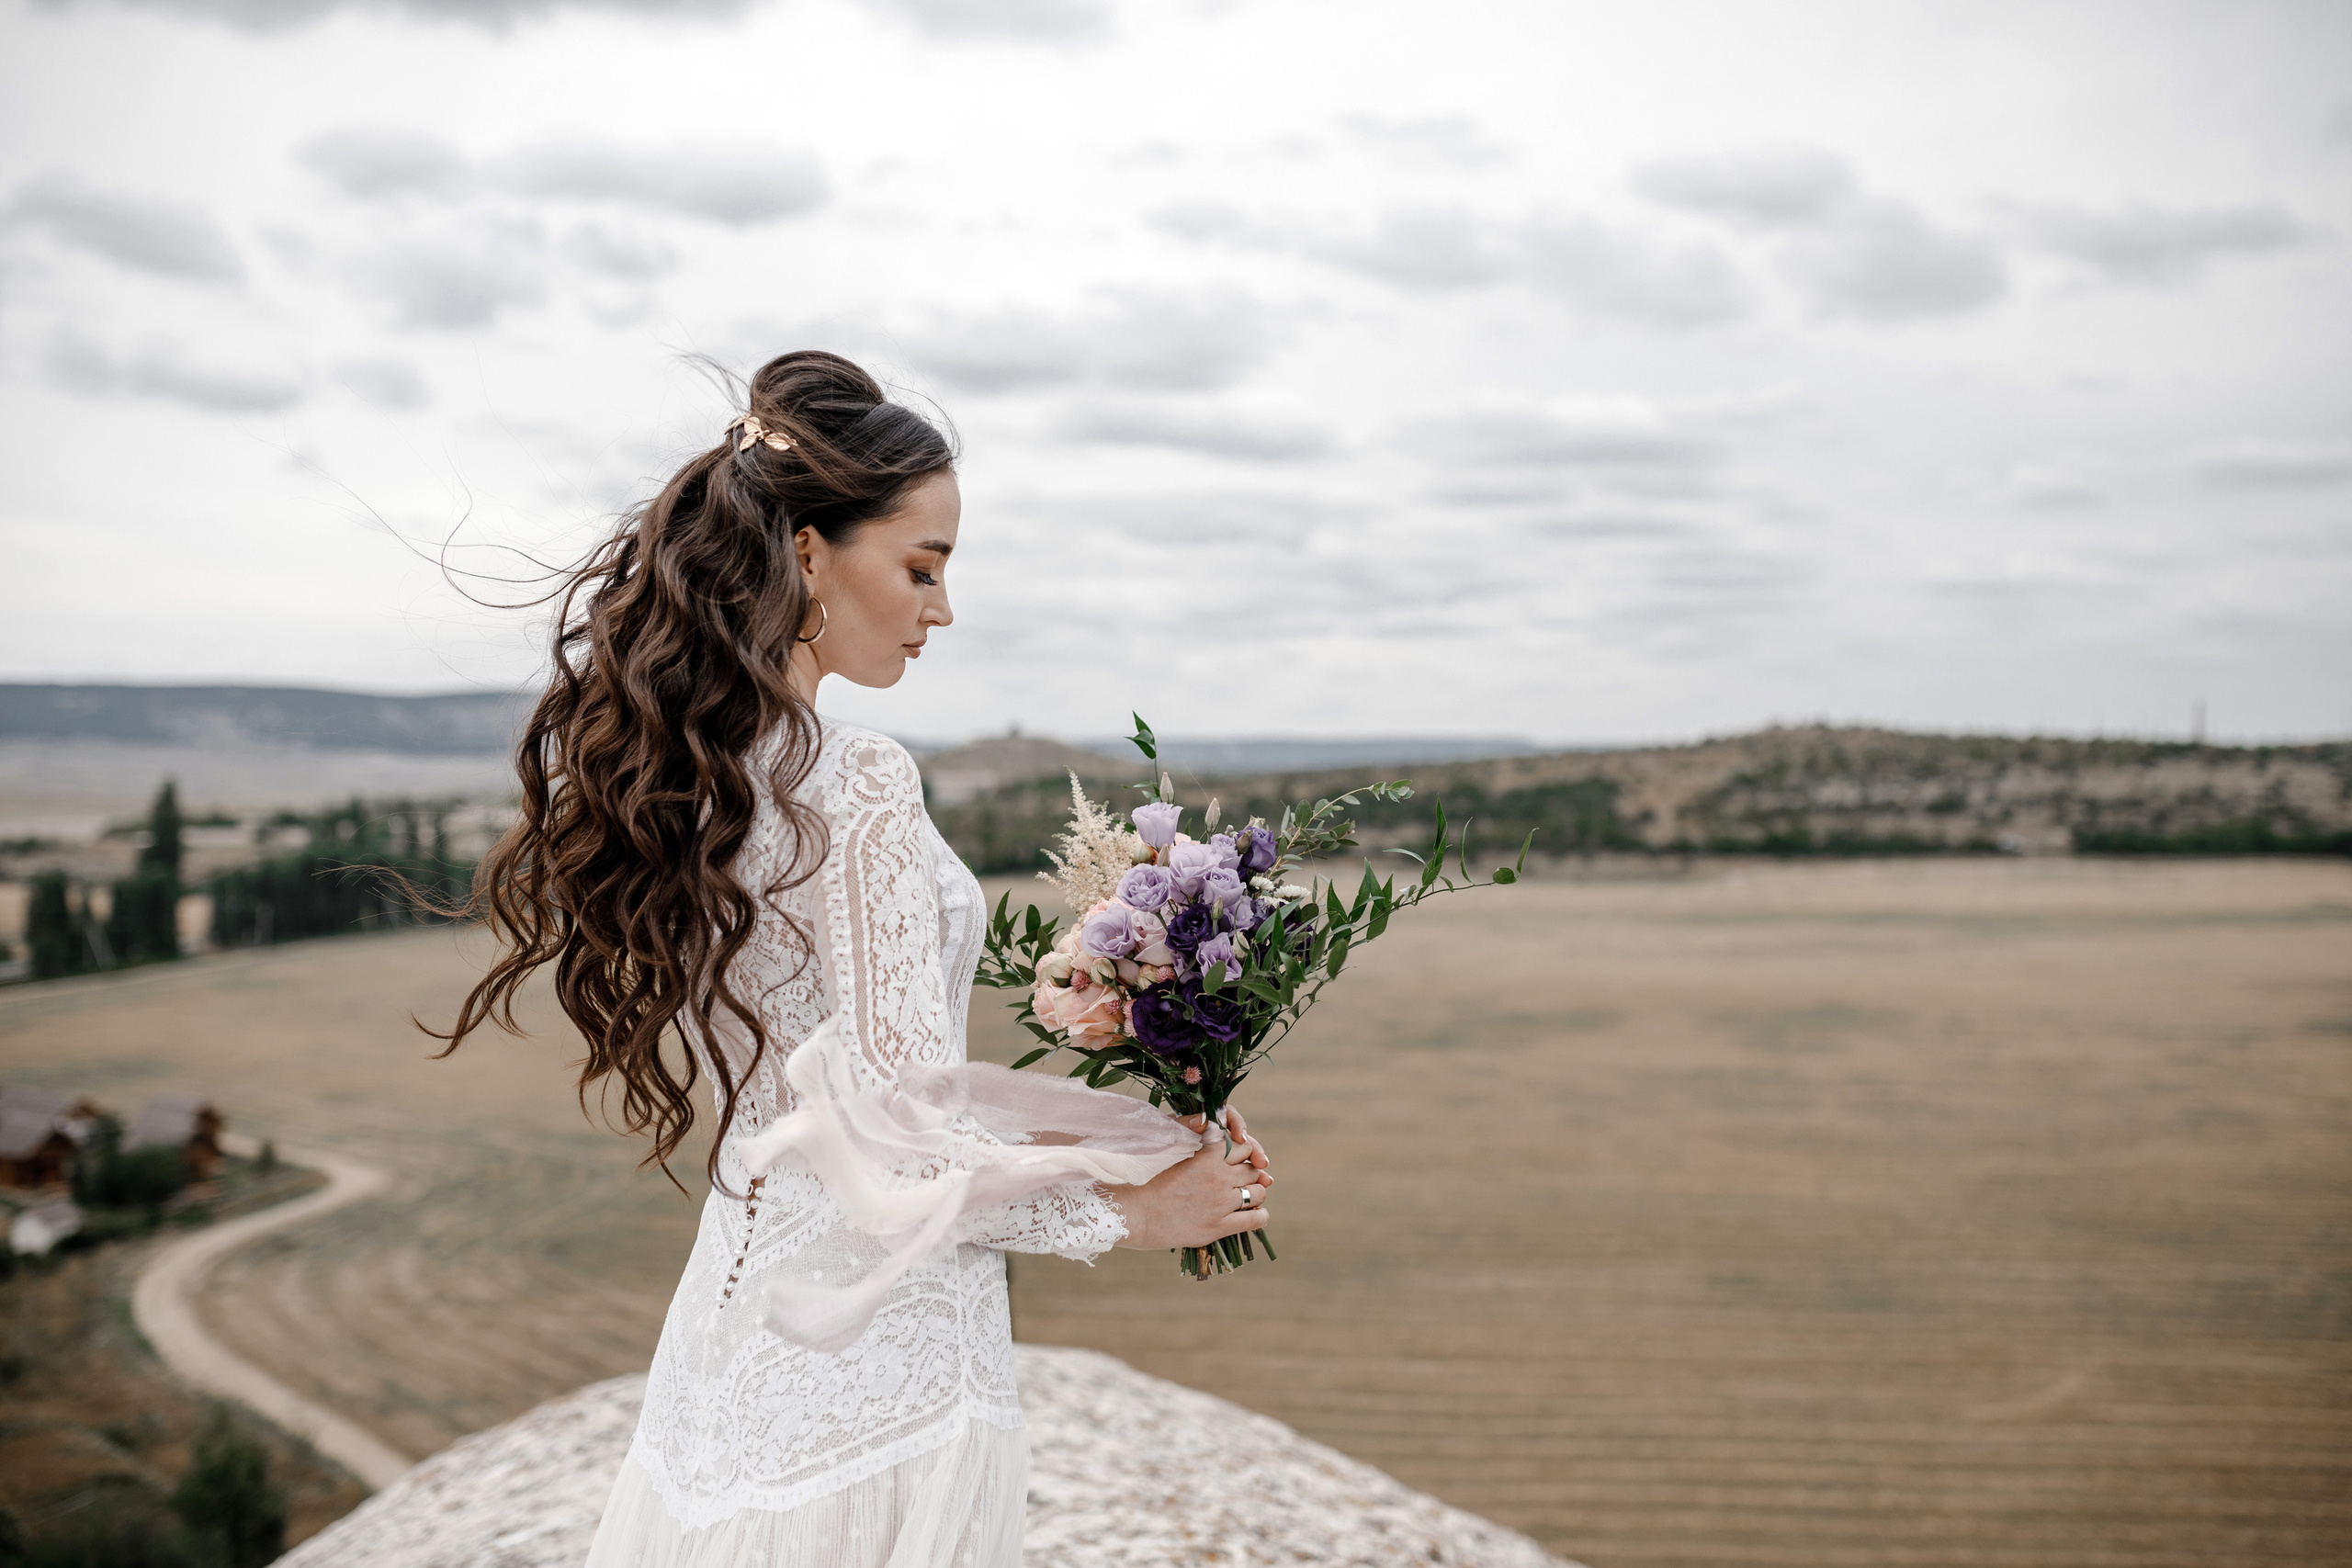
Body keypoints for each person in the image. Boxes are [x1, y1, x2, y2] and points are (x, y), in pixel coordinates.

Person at [432, 350, 1272, 1568]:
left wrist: (1130, 1123)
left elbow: (857, 1088)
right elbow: (905, 1141)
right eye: (922, 567)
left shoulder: (705, 784)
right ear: (808, 554)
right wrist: (1133, 1214)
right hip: (882, 1372)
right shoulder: (859, 779)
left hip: (735, 1339)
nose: (943, 609)